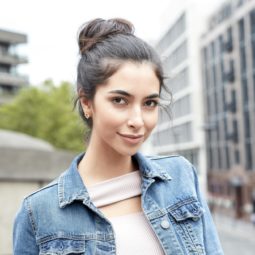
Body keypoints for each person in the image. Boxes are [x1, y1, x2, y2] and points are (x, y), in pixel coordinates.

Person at [13, 18, 223, 254]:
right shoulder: (39, 212)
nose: (137, 120)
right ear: (86, 102)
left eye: (150, 103)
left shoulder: (181, 176)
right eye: (119, 100)